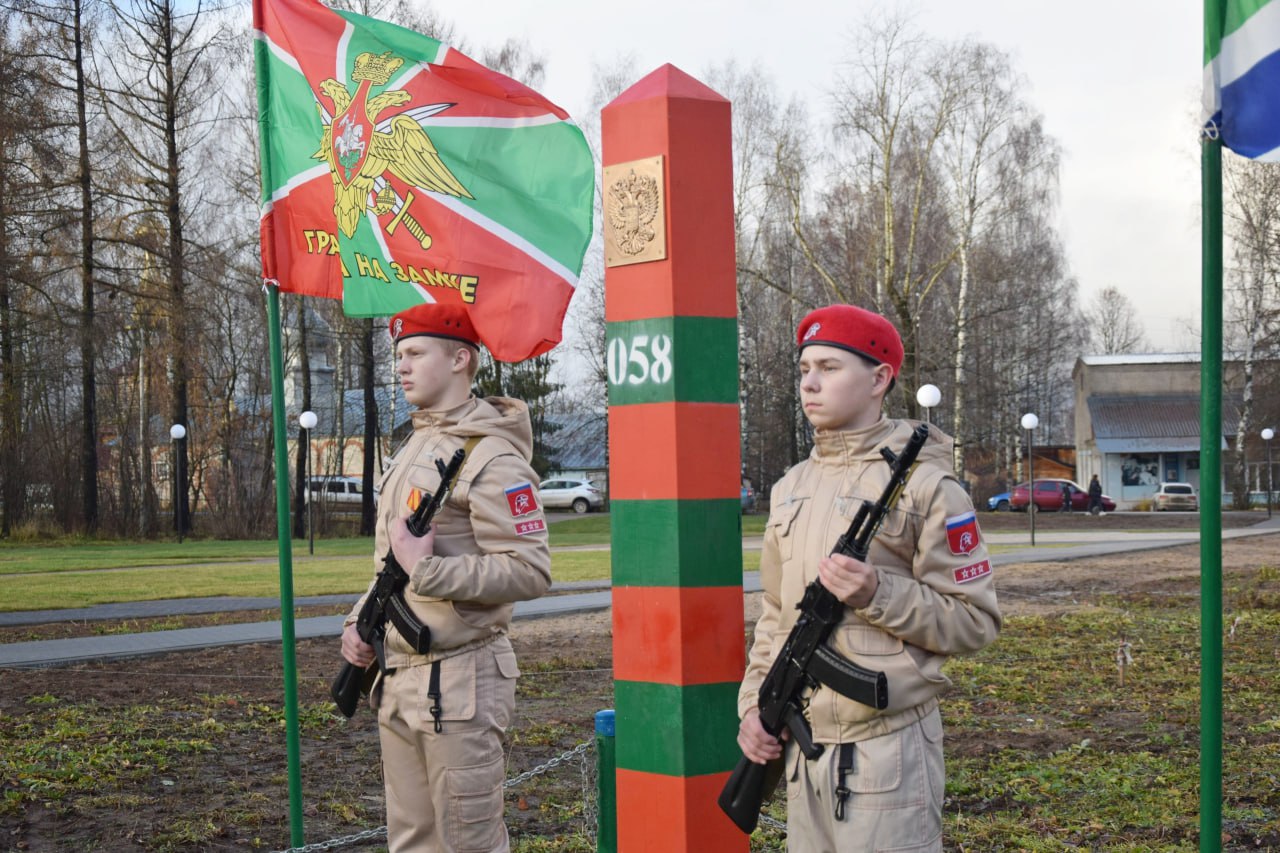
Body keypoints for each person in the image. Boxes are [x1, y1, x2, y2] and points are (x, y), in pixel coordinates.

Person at [736, 304, 1001, 852]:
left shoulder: (929, 488)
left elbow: (975, 621)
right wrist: (754, 710)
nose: (810, 383)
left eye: (830, 368)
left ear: (879, 379)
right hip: (803, 759)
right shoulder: (790, 488)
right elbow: (775, 619)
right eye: (805, 369)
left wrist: (878, 592)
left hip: (887, 757)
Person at [339, 302, 551, 852]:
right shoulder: (415, 447)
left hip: (460, 682)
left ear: (461, 360)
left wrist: (429, 571)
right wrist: (359, 621)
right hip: (399, 675)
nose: (401, 367)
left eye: (414, 354)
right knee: (411, 842)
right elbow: (393, 562)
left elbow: (530, 569)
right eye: (399, 356)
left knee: (468, 844)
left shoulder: (491, 456)